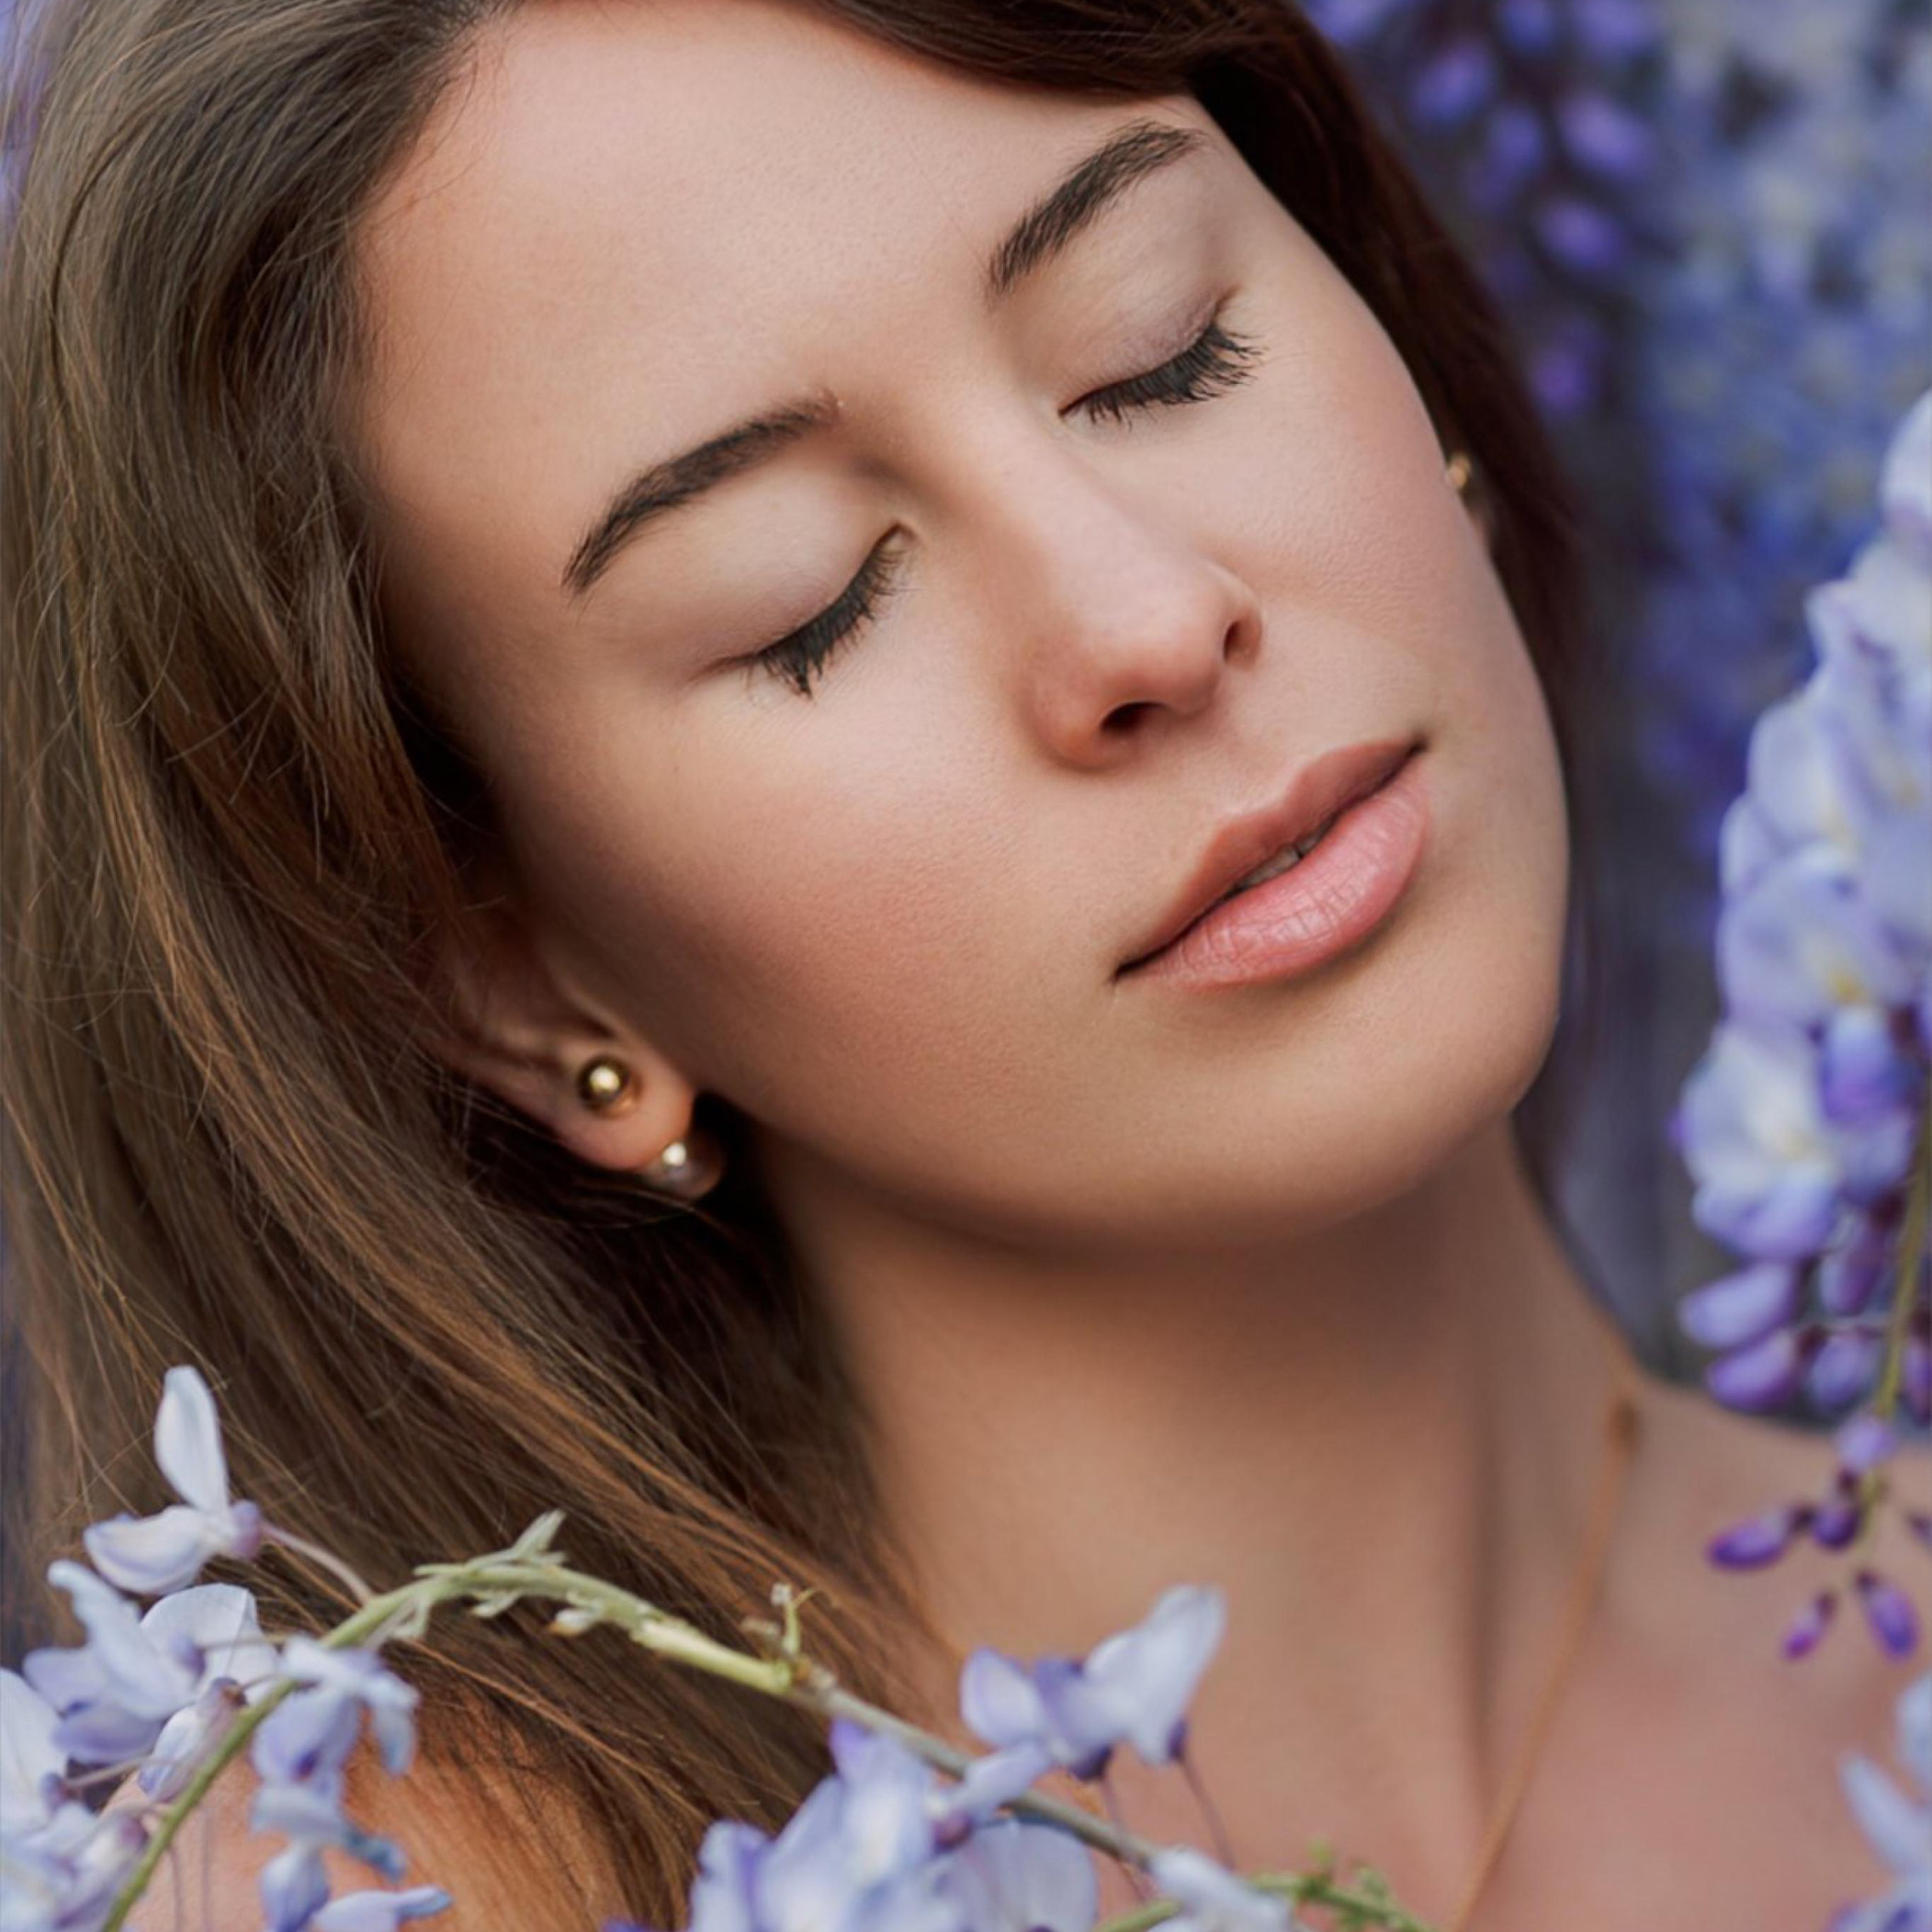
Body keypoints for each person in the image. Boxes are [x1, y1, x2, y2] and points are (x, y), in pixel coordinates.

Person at [2, 2, 1920, 1927]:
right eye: (807, 603)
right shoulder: (339, 1889)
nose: (1150, 618)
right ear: (505, 974)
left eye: (1158, 348)